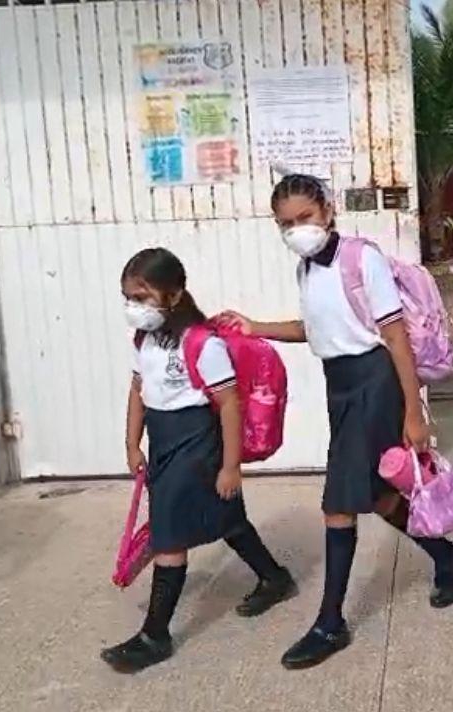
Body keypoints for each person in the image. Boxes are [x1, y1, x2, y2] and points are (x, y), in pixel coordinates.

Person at [221, 174, 453, 670]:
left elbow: (395, 337)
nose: (297, 229)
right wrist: (255, 327)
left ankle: (330, 623)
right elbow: (314, 329)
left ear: (328, 212)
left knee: (338, 503)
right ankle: (446, 556)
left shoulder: (361, 259)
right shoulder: (306, 269)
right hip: (340, 385)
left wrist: (413, 412)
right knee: (378, 495)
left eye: (305, 217)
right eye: (286, 223)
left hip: (375, 382)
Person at [102, 247, 296, 673]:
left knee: (169, 538)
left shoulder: (203, 344)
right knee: (226, 518)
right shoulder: (144, 340)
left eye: (142, 297)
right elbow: (138, 392)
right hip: (163, 442)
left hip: (197, 445)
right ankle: (274, 577)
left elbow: (229, 405)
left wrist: (230, 467)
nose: (133, 307)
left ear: (174, 295)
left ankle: (155, 635)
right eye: (128, 298)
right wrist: (132, 444)